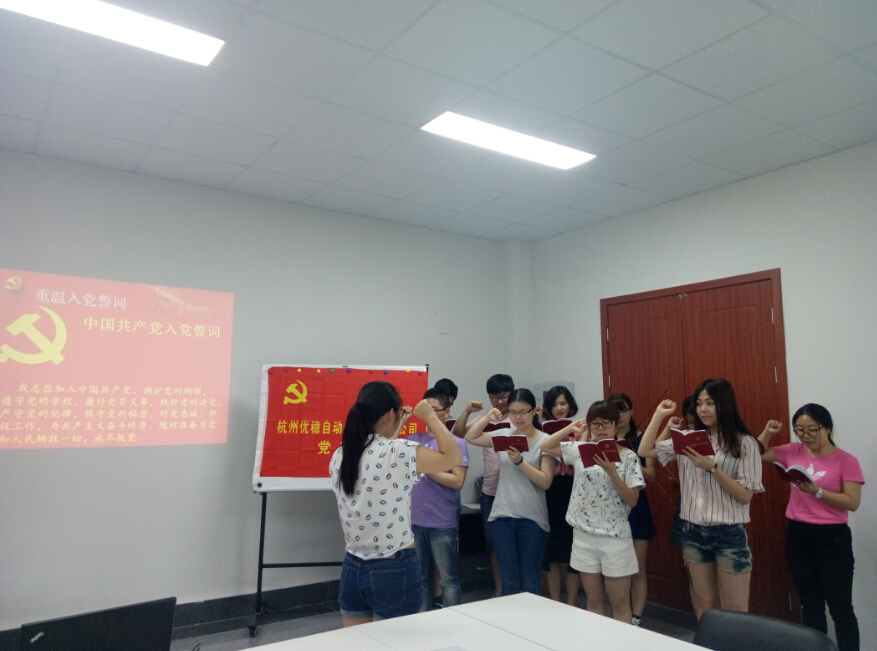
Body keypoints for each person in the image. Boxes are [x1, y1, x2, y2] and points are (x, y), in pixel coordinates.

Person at [329, 381, 462, 626]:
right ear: (390, 414)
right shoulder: (398, 452)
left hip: (352, 566)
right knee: (396, 640)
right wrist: (431, 417)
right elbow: (454, 457)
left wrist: (399, 424)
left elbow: (381, 448)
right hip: (393, 567)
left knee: (357, 642)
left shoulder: (340, 454)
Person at [638, 379, 764, 618]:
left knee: (735, 612)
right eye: (699, 404)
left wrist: (712, 467)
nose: (703, 409)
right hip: (693, 531)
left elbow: (745, 495)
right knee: (705, 607)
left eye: (710, 403)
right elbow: (645, 451)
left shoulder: (745, 443)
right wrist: (658, 415)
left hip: (729, 532)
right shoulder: (688, 438)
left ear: (724, 404)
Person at [758, 404, 864, 651]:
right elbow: (757, 453)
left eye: (812, 430)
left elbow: (853, 502)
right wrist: (767, 433)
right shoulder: (793, 451)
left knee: (840, 607)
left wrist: (817, 492)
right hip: (798, 534)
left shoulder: (846, 460)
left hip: (832, 537)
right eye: (800, 430)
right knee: (810, 604)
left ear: (827, 428)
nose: (806, 436)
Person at [540, 400, 644, 623]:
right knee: (593, 601)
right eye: (595, 423)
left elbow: (633, 499)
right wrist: (570, 428)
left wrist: (612, 472)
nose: (601, 428)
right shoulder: (580, 450)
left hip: (614, 537)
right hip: (583, 534)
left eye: (606, 423)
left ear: (616, 425)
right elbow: (545, 446)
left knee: (619, 604)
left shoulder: (628, 456)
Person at [465, 388, 555, 596]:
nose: (518, 417)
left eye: (523, 412)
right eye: (513, 412)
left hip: (532, 519)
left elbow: (545, 481)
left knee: (530, 583)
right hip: (502, 516)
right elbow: (470, 436)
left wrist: (520, 462)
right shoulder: (503, 435)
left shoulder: (545, 440)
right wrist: (489, 416)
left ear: (534, 411)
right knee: (509, 583)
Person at [452, 373, 514, 596]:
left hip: (516, 492)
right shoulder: (485, 419)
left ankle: (516, 591)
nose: (500, 401)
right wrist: (469, 411)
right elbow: (458, 434)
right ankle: (499, 590)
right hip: (490, 492)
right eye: (494, 397)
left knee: (515, 544)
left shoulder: (519, 418)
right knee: (493, 546)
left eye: (504, 396)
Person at [409, 388, 469, 611]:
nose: (429, 415)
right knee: (420, 578)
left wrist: (428, 467)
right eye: (426, 410)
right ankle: (422, 621)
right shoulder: (414, 440)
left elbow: (458, 481)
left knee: (448, 579)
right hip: (416, 521)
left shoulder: (456, 443)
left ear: (446, 411)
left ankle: (453, 620)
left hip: (442, 523)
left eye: (434, 410)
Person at [609, 393, 655, 627]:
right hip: (610, 506)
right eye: (615, 411)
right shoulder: (604, 439)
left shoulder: (642, 438)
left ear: (631, 412)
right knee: (614, 568)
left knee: (638, 568)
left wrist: (630, 458)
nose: (620, 416)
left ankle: (636, 617)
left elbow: (652, 476)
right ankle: (619, 613)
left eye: (624, 410)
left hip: (636, 507)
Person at [540, 385, 582, 605]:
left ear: (570, 405)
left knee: (572, 552)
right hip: (550, 490)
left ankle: (572, 603)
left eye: (563, 403)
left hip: (574, 489)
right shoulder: (542, 431)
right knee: (552, 553)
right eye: (554, 404)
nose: (559, 408)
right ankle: (555, 601)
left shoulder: (581, 429)